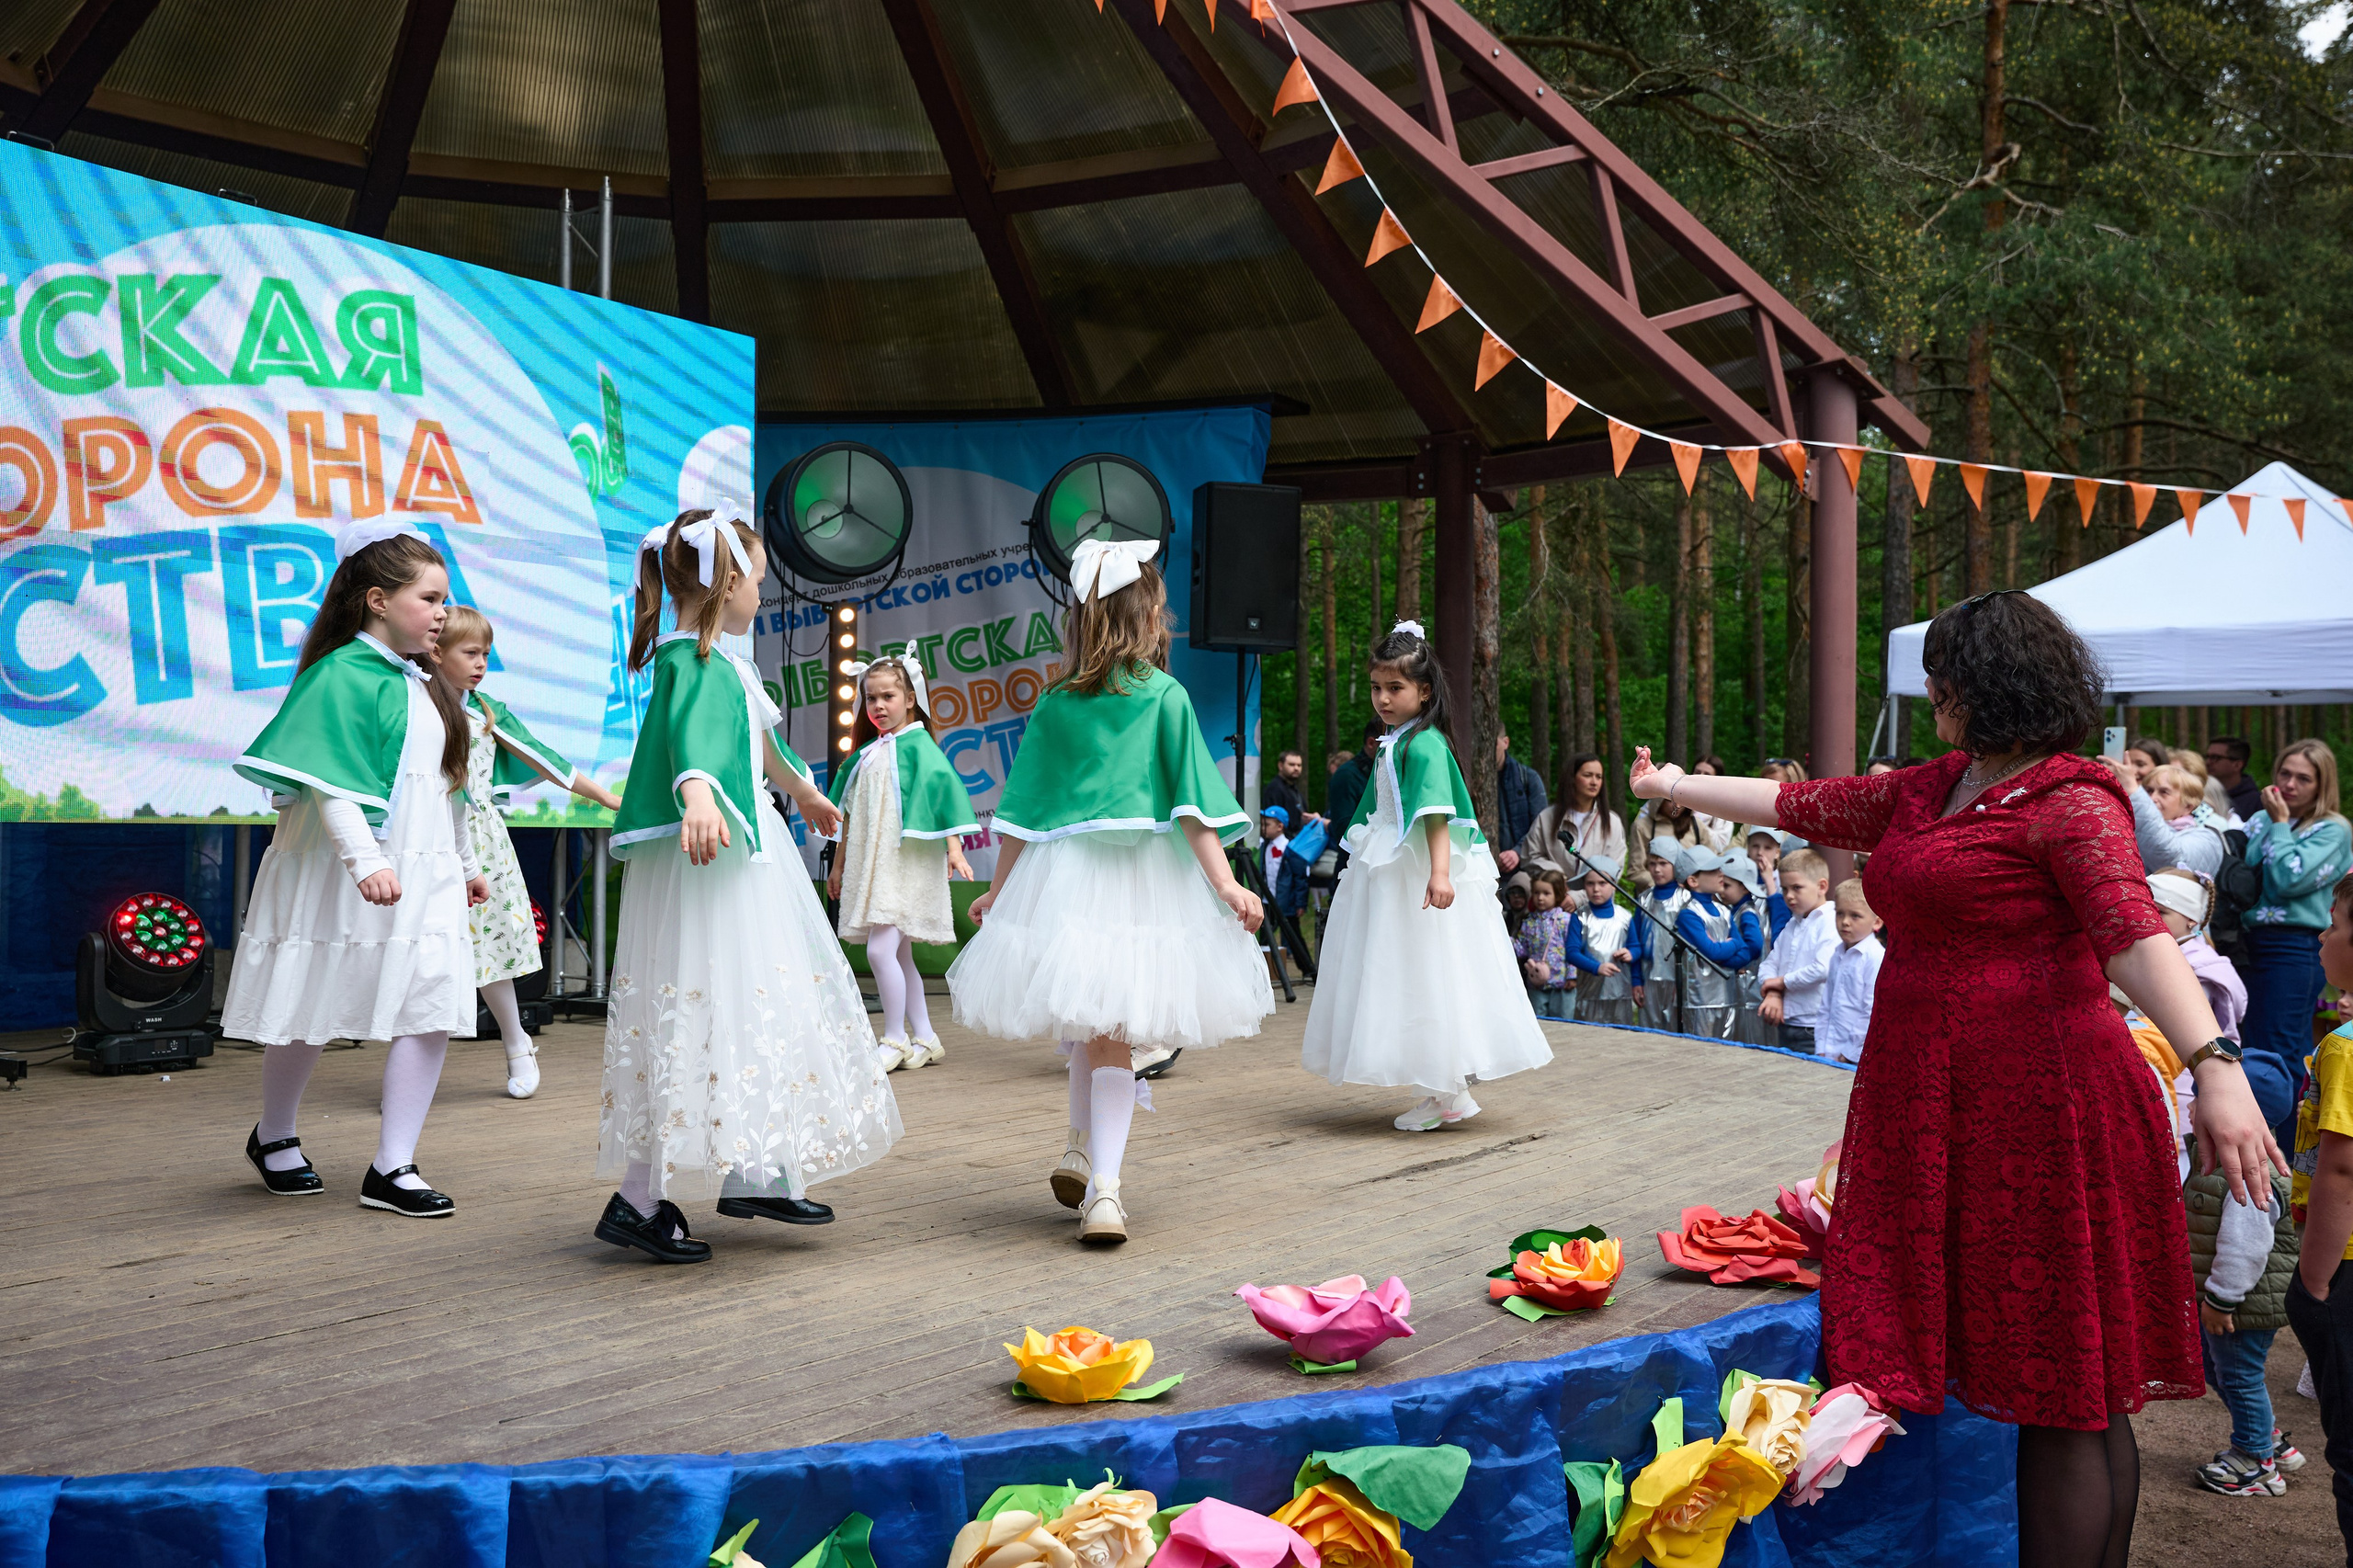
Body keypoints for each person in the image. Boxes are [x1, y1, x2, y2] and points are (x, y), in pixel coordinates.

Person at [1627, 588, 2281, 1568]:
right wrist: (1673, 781)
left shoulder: (2070, 800)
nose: (1932, 691)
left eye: (1944, 676)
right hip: (1944, 1102)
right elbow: (1798, 802)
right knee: (2071, 1392)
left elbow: (2132, 936)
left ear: (1987, 683)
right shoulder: (1937, 784)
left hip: (2046, 1112)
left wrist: (2213, 1061)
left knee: (2071, 1395)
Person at [596, 508, 897, 1265]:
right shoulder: (691, 661)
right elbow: (690, 736)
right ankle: (637, 1198)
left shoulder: (726, 660)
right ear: (728, 582)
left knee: (751, 999)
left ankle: (754, 1167)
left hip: (744, 852)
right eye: (757, 580)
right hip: (717, 859)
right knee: (707, 1003)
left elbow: (754, 740)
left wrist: (800, 789)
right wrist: (697, 792)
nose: (762, 594)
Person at [950, 540, 1270, 1245]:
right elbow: (1192, 806)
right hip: (1140, 888)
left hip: (1068, 885)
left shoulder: (1058, 702)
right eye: (1160, 607)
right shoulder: (1165, 696)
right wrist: (1225, 886)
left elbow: (1021, 817)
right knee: (1110, 1034)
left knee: (1091, 1029)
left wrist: (1001, 893)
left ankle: (1078, 1146)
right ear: (1146, 618)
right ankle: (1105, 1190)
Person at [226, 522, 489, 1217]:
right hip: (352, 867)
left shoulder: (427, 682)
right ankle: (275, 1132)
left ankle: (392, 1166)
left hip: (425, 870)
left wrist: (463, 863)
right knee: (314, 995)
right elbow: (329, 781)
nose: (441, 612)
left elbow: (444, 784)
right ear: (377, 599)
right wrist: (364, 860)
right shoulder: (340, 672)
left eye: (445, 599)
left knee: (430, 1000)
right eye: (430, 597)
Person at [1301, 620, 1553, 1131]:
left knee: (1430, 972)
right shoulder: (1396, 741)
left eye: (1395, 688)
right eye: (1377, 687)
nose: (1383, 698)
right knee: (1409, 974)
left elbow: (1437, 812)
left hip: (1416, 868)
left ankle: (1447, 1090)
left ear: (1425, 691)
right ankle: (1441, 1088)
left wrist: (1440, 873)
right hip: (1395, 864)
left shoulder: (1426, 744)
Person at [429, 605, 624, 1100]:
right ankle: (409, 1068)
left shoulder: (485, 709)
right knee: (420, 948)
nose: (480, 663)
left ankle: (516, 1042)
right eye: (469, 652)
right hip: (422, 837)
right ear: (436, 651)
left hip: (479, 839)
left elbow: (545, 756)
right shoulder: (411, 701)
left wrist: (603, 796)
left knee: (488, 947)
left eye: (485, 654)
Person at [825, 645, 978, 1074]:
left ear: (911, 698)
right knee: (901, 956)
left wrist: (954, 848)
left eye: (888, 696)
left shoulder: (920, 748)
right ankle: (926, 1037)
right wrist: (838, 867)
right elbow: (848, 816)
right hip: (876, 871)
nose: (877, 706)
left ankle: (895, 1037)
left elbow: (942, 796)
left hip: (905, 869)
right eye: (870, 698)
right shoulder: (866, 755)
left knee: (880, 952)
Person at [2243, 738, 2353, 1145]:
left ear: (2321, 784)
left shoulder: (2333, 829)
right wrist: (2273, 823)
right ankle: (2256, 1147)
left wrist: (2277, 824)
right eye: (2284, 773)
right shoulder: (2262, 818)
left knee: (2282, 1052)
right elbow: (2242, 871)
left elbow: (2288, 879)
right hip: (2250, 941)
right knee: (2251, 1051)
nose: (2290, 784)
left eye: (2303, 778)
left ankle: (2292, 1156)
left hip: (2294, 947)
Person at [2288, 876, 2353, 1556]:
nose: (2322, 937)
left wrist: (2313, 1281)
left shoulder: (2345, 1047)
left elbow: (2340, 1169)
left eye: (2333, 925)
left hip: (2345, 1270)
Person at [1510, 752, 1628, 902]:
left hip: (1596, 907)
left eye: (1599, 777)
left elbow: (1613, 869)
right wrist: (1557, 877)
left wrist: (1578, 897)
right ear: (1572, 778)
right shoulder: (1547, 818)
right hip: (1553, 906)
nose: (1594, 782)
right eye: (1587, 775)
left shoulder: (1612, 822)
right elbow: (1530, 857)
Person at [2150, 868, 2247, 1047]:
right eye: (2145, 911)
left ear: (2192, 919)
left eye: (2161, 912)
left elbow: (2180, 1035)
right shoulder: (2151, 953)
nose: (2150, 919)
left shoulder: (2199, 971)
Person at [2094, 756, 2228, 877]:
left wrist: (2132, 790)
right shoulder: (2134, 826)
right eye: (2149, 791)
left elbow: (2170, 860)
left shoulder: (2207, 838)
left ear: (2188, 806)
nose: (2152, 798)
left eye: (2164, 792)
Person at [1759, 847, 1837, 1052]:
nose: (1789, 896)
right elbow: (1769, 963)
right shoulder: (1792, 925)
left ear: (1821, 886)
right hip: (1787, 1020)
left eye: (1797, 888)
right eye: (1784, 889)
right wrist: (1774, 992)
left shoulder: (1830, 922)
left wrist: (1781, 982)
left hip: (1814, 1025)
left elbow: (1821, 969)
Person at [1674, 848, 1750, 1040]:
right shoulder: (1688, 914)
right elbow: (1711, 952)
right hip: (1701, 1000)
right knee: (1702, 1054)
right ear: (1693, 881)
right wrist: (1728, 947)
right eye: (1713, 870)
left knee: (1726, 1053)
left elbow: (1742, 948)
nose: (1721, 873)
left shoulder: (1724, 910)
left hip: (1727, 997)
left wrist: (1724, 948)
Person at [1815, 881, 1883, 1065]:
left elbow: (1871, 1011)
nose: (1845, 922)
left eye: (1855, 916)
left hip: (1855, 1056)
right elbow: (1825, 1005)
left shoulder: (1875, 957)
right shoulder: (1837, 954)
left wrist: (1850, 1052)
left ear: (1876, 922)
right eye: (1840, 913)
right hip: (1828, 1052)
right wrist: (1821, 1048)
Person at [1629, 835, 1688, 1033]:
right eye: (1652, 864)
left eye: (1663, 863)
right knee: (1650, 1032)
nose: (1656, 869)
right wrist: (1636, 980)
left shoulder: (1685, 899)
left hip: (1677, 976)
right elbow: (1635, 941)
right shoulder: (1644, 900)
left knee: (1677, 1029)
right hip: (1649, 976)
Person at [1567, 859, 1636, 1026]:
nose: (1596, 889)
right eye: (1590, 883)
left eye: (1602, 883)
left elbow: (1635, 946)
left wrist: (1631, 954)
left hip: (1621, 994)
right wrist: (1596, 968)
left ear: (1613, 885)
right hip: (1590, 994)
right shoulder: (1580, 917)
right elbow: (1571, 953)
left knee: (1621, 1038)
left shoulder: (1625, 917)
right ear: (1584, 886)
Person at [1719, 857, 1770, 1041]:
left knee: (1747, 1037)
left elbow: (1754, 946)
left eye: (1727, 886)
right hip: (1741, 991)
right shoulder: (1736, 909)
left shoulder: (1747, 913)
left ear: (1744, 887)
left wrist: (1733, 963)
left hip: (1748, 991)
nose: (1721, 890)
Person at [1516, 868, 1577, 1020]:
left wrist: (1571, 976)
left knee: (1563, 1022)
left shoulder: (1565, 919)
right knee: (1538, 1021)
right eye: (1536, 893)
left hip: (1562, 983)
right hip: (1537, 982)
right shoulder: (1529, 922)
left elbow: (1573, 949)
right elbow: (1522, 949)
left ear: (1557, 894)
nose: (1540, 898)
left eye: (1546, 893)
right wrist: (1505, 940)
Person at [1324, 720, 1383, 841]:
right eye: (1389, 742)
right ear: (1371, 743)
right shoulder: (1346, 775)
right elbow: (1343, 829)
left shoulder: (1387, 772)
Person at [1495, 729, 1548, 862]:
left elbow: (1541, 824)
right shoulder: (1471, 781)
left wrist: (1517, 852)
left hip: (1524, 865)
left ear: (1505, 742)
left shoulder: (1528, 778)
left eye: (1494, 744)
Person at [1631, 788, 1729, 858]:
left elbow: (1711, 858)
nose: (1677, 806)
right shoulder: (1642, 826)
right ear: (1658, 800)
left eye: (1681, 800)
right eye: (1670, 801)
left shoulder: (1696, 825)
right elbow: (1637, 870)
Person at [2208, 735, 2264, 824]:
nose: (2208, 762)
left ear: (2237, 765)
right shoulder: (2200, 795)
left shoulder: (2257, 802)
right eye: (2207, 757)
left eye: (2216, 758)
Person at [1265, 748, 1313, 831]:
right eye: (1292, 764)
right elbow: (1273, 820)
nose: (1296, 768)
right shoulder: (1275, 788)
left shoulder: (1294, 789)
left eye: (1299, 765)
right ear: (1280, 766)